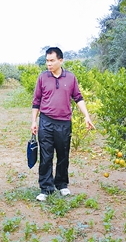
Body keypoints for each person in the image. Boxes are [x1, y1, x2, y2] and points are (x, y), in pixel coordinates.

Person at [31, 47, 95, 201]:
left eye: (52, 60)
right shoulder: (42, 78)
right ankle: (46, 188)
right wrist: (34, 121)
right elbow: (36, 101)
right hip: (46, 121)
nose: (49, 64)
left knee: (63, 155)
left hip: (64, 123)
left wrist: (87, 116)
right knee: (46, 156)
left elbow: (78, 98)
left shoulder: (71, 78)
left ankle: (62, 184)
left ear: (60, 60)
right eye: (47, 61)